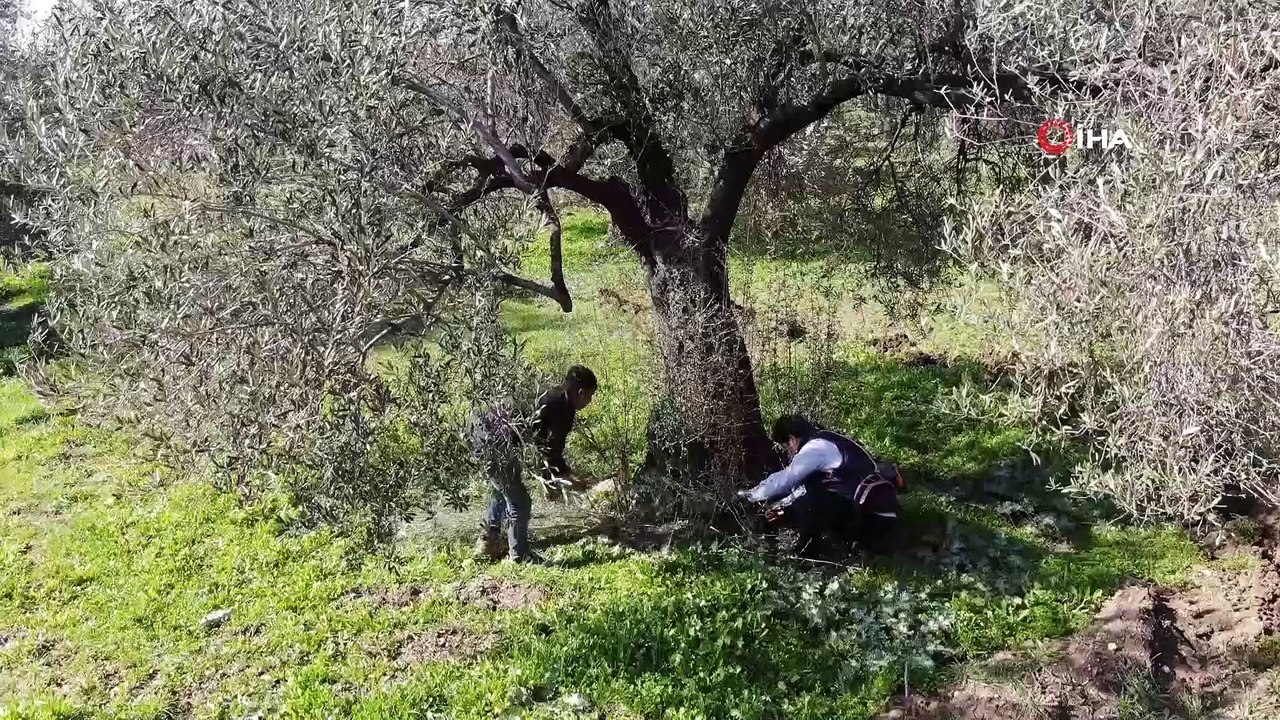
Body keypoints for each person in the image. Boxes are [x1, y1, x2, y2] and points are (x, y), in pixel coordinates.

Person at [472, 365, 598, 563]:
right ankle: (520, 556)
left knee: (501, 490)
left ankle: (489, 541)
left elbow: (541, 443)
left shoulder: (552, 395)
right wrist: (563, 477)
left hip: (481, 436)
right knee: (520, 502)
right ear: (581, 393)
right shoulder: (563, 408)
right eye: (590, 396)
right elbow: (551, 449)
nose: (589, 402)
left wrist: (552, 477)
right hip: (495, 445)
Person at [742, 415, 902, 559]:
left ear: (792, 439)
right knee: (813, 490)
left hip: (870, 517)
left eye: (786, 447)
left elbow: (787, 479)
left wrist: (752, 495)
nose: (789, 453)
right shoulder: (830, 439)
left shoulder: (814, 449)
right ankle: (845, 547)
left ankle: (812, 553)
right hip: (883, 512)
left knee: (809, 498)